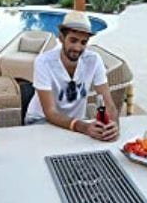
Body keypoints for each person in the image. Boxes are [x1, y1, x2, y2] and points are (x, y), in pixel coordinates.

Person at [24, 10, 119, 141]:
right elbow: (50, 112)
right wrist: (84, 127)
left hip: (76, 124)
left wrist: (113, 125)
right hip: (41, 120)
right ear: (61, 38)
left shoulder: (93, 60)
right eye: (73, 40)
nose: (78, 48)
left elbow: (108, 104)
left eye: (83, 42)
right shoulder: (44, 62)